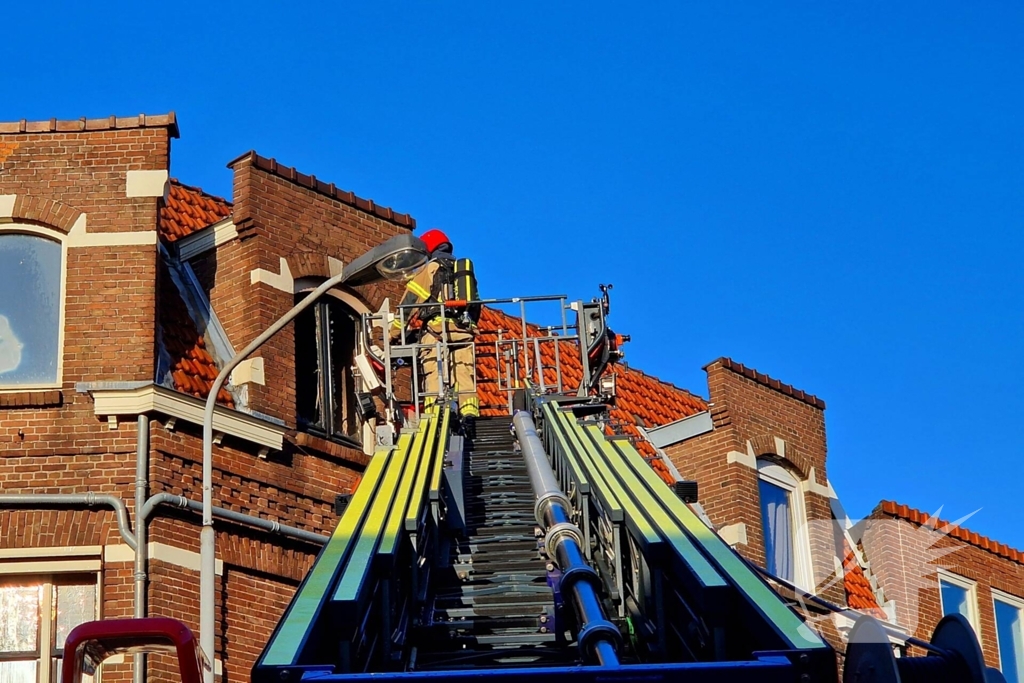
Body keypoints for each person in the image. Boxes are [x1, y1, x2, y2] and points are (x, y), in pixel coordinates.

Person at [391, 229, 480, 427]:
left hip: (435, 331)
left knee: (434, 370)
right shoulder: (462, 272)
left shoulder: (430, 269)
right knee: (464, 372)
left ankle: (435, 413)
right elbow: (475, 305)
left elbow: (409, 303)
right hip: (463, 331)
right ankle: (469, 413)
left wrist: (393, 333)